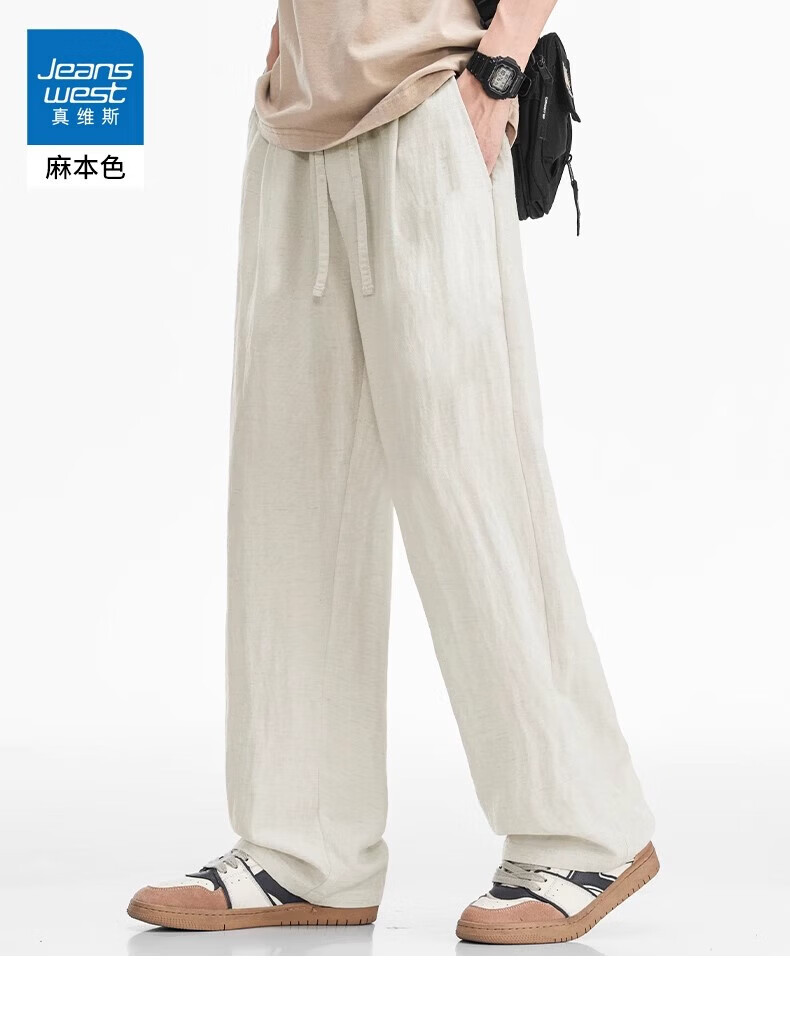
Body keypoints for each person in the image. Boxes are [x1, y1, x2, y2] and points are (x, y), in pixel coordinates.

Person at [128, 0, 657, 946]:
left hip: (432, 108)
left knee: (474, 487)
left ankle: (581, 827)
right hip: (293, 130)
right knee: (290, 501)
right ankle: (303, 848)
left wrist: (499, 71)